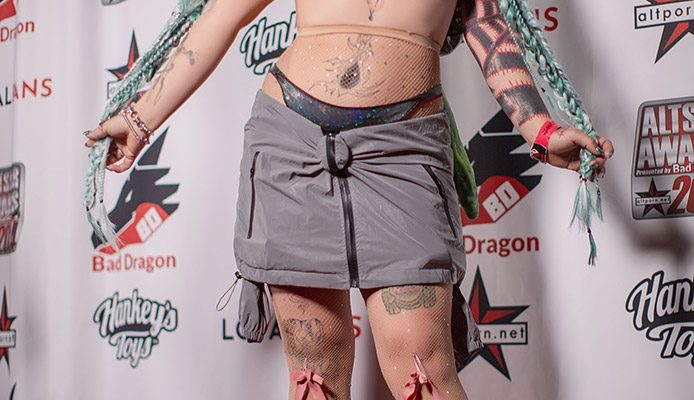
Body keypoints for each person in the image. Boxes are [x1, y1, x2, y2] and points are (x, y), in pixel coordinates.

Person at [85, 0, 615, 399]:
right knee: (314, 373)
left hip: (404, 152)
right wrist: (141, 118)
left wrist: (540, 130)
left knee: (424, 371)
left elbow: (487, 25)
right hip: (291, 144)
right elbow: (222, 15)